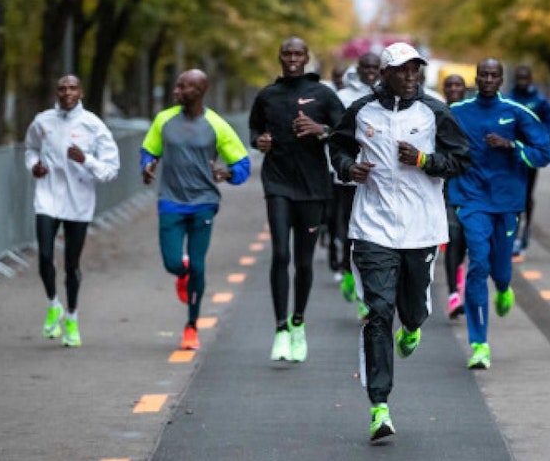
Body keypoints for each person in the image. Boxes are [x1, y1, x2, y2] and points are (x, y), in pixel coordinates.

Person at [329, 42, 469, 442]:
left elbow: (461, 160)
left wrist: (424, 161)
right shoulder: (361, 111)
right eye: (402, 70)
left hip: (420, 227)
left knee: (412, 310)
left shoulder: (435, 112)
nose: (410, 77)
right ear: (384, 74)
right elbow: (338, 146)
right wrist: (348, 168)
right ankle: (379, 406)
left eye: (415, 70)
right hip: (372, 226)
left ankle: (412, 326)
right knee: (377, 312)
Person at [448, 59, 550, 369]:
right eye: (483, 75)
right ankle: (479, 344)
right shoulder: (457, 111)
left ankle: (504, 288)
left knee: (501, 271)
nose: (488, 80)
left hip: (506, 202)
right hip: (471, 199)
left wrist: (512, 146)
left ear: (501, 79)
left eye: (494, 75)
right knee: (478, 264)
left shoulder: (517, 112)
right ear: (476, 78)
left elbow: (543, 154)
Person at [249, 37, 345, 363]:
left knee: (303, 262)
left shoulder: (323, 94)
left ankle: (298, 322)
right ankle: (280, 329)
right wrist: (259, 141)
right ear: (280, 57)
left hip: (313, 187)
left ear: (306, 58)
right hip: (278, 182)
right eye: (287, 53)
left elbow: (346, 132)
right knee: (280, 254)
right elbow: (254, 131)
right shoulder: (267, 95)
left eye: (297, 54)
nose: (292, 59)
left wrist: (321, 129)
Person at [140, 69, 250, 350]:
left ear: (200, 91)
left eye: (183, 87)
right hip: (171, 201)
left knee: (199, 266)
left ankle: (191, 326)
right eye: (177, 85)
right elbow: (149, 150)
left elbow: (242, 164)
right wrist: (147, 165)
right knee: (172, 262)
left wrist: (228, 174)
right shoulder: (164, 120)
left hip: (204, 202)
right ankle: (182, 271)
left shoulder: (217, 125)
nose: (176, 91)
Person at [25, 75, 120, 348]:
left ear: (81, 92)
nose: (67, 92)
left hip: (78, 201)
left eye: (72, 88)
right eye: (62, 88)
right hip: (47, 197)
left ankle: (72, 318)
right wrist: (34, 166)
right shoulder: (43, 121)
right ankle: (53, 304)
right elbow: (30, 149)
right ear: (56, 92)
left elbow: (111, 170)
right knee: (45, 255)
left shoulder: (93, 125)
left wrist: (86, 160)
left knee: (71, 265)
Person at [332, 52, 381, 320]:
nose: (371, 71)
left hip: (379, 179)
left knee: (371, 239)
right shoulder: (343, 97)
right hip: (348, 177)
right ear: (358, 69)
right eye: (366, 67)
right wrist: (346, 165)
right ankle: (349, 271)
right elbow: (336, 135)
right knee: (350, 232)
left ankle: (366, 293)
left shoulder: (389, 97)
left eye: (375, 67)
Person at [506, 65, 550, 256]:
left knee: (526, 195)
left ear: (530, 79)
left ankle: (524, 233)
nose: (521, 81)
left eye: (524, 78)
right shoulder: (508, 99)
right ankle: (510, 234)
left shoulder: (540, 102)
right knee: (511, 193)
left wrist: (544, 142)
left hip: (530, 156)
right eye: (518, 78)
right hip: (510, 154)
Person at [441, 74, 469, 319]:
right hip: (444, 185)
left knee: (464, 241)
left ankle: (459, 270)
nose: (453, 89)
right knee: (453, 235)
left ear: (465, 89)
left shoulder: (472, 114)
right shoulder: (436, 113)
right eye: (449, 85)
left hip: (471, 186)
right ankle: (452, 294)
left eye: (457, 85)